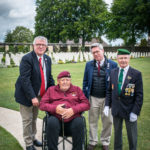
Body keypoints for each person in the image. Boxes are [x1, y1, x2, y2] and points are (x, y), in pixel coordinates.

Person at [15, 36, 55, 150]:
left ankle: (33, 138)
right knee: (27, 119)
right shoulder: (27, 59)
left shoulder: (47, 59)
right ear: (34, 46)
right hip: (26, 95)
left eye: (43, 45)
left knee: (34, 118)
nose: (41, 46)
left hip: (39, 95)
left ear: (46, 47)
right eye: (38, 44)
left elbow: (49, 77)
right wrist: (32, 97)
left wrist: (54, 92)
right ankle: (28, 143)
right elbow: (25, 80)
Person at [104, 49, 143, 150]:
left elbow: (139, 95)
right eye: (121, 58)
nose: (123, 60)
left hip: (130, 110)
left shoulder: (136, 74)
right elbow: (109, 90)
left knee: (132, 136)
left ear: (129, 58)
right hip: (116, 109)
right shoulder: (113, 72)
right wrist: (107, 105)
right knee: (117, 134)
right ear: (117, 59)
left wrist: (135, 111)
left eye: (125, 58)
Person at [40, 71, 90, 150]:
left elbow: (86, 104)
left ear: (70, 81)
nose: (65, 82)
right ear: (58, 81)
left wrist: (73, 110)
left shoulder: (77, 89)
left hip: (73, 122)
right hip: (56, 122)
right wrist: (55, 108)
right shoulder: (51, 90)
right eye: (63, 80)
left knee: (79, 122)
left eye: (67, 80)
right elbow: (42, 105)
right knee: (51, 121)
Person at [83, 43, 117, 150]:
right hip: (93, 98)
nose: (96, 54)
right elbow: (85, 81)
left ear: (103, 51)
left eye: (97, 51)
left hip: (107, 98)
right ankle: (93, 141)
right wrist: (85, 97)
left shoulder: (113, 64)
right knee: (92, 120)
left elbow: (115, 83)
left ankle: (105, 141)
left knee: (108, 121)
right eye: (93, 52)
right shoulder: (88, 65)